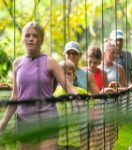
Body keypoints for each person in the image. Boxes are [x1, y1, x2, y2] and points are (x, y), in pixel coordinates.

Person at [0, 22, 78, 150]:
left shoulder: (50, 62)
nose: (31, 39)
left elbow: (68, 87)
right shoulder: (17, 64)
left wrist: (78, 99)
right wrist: (3, 122)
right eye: (28, 35)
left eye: (35, 36)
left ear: (41, 39)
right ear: (23, 39)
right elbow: (15, 96)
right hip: (24, 122)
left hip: (48, 120)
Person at [54, 60, 88, 150]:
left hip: (75, 140)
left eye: (69, 74)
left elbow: (95, 101)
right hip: (57, 140)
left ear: (74, 76)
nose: (66, 76)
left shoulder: (81, 92)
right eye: (62, 74)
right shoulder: (53, 92)